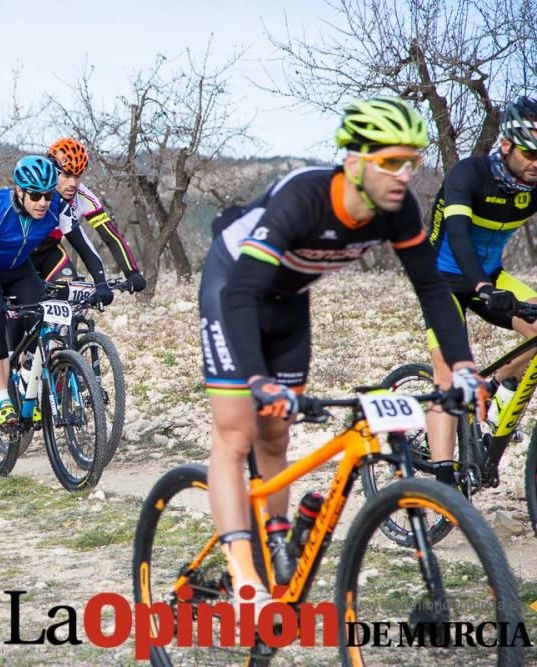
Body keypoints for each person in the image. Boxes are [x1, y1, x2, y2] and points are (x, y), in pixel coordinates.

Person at [197, 97, 487, 612]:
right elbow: (241, 293)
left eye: (412, 162)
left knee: (276, 432)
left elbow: (432, 287)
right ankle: (243, 575)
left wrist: (462, 364)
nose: (404, 174)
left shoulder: (398, 211)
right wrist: (257, 381)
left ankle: (275, 543)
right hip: (233, 286)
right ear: (354, 161)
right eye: (391, 161)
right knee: (238, 429)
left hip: (287, 301)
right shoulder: (305, 198)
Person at [424, 96, 537, 480]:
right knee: (448, 377)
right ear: (505, 145)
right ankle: (442, 484)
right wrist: (482, 287)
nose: (536, 163)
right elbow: (457, 235)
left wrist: (490, 284)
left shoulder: (533, 184)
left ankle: (496, 385)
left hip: (490, 275)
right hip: (443, 280)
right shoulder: (469, 176)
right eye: (529, 153)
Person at [0, 155, 112, 426]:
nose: (42, 202)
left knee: (47, 319)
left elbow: (85, 246)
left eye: (46, 195)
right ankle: (2, 399)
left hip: (20, 270)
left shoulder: (56, 207)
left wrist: (100, 282)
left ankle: (27, 384)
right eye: (35, 196)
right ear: (19, 191)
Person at [30, 137, 147, 292]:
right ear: (52, 172)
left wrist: (132, 272)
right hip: (22, 253)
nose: (72, 183)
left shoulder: (84, 197)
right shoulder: (33, 194)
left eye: (77, 176)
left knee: (73, 299)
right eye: (66, 176)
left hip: (51, 253)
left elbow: (111, 238)